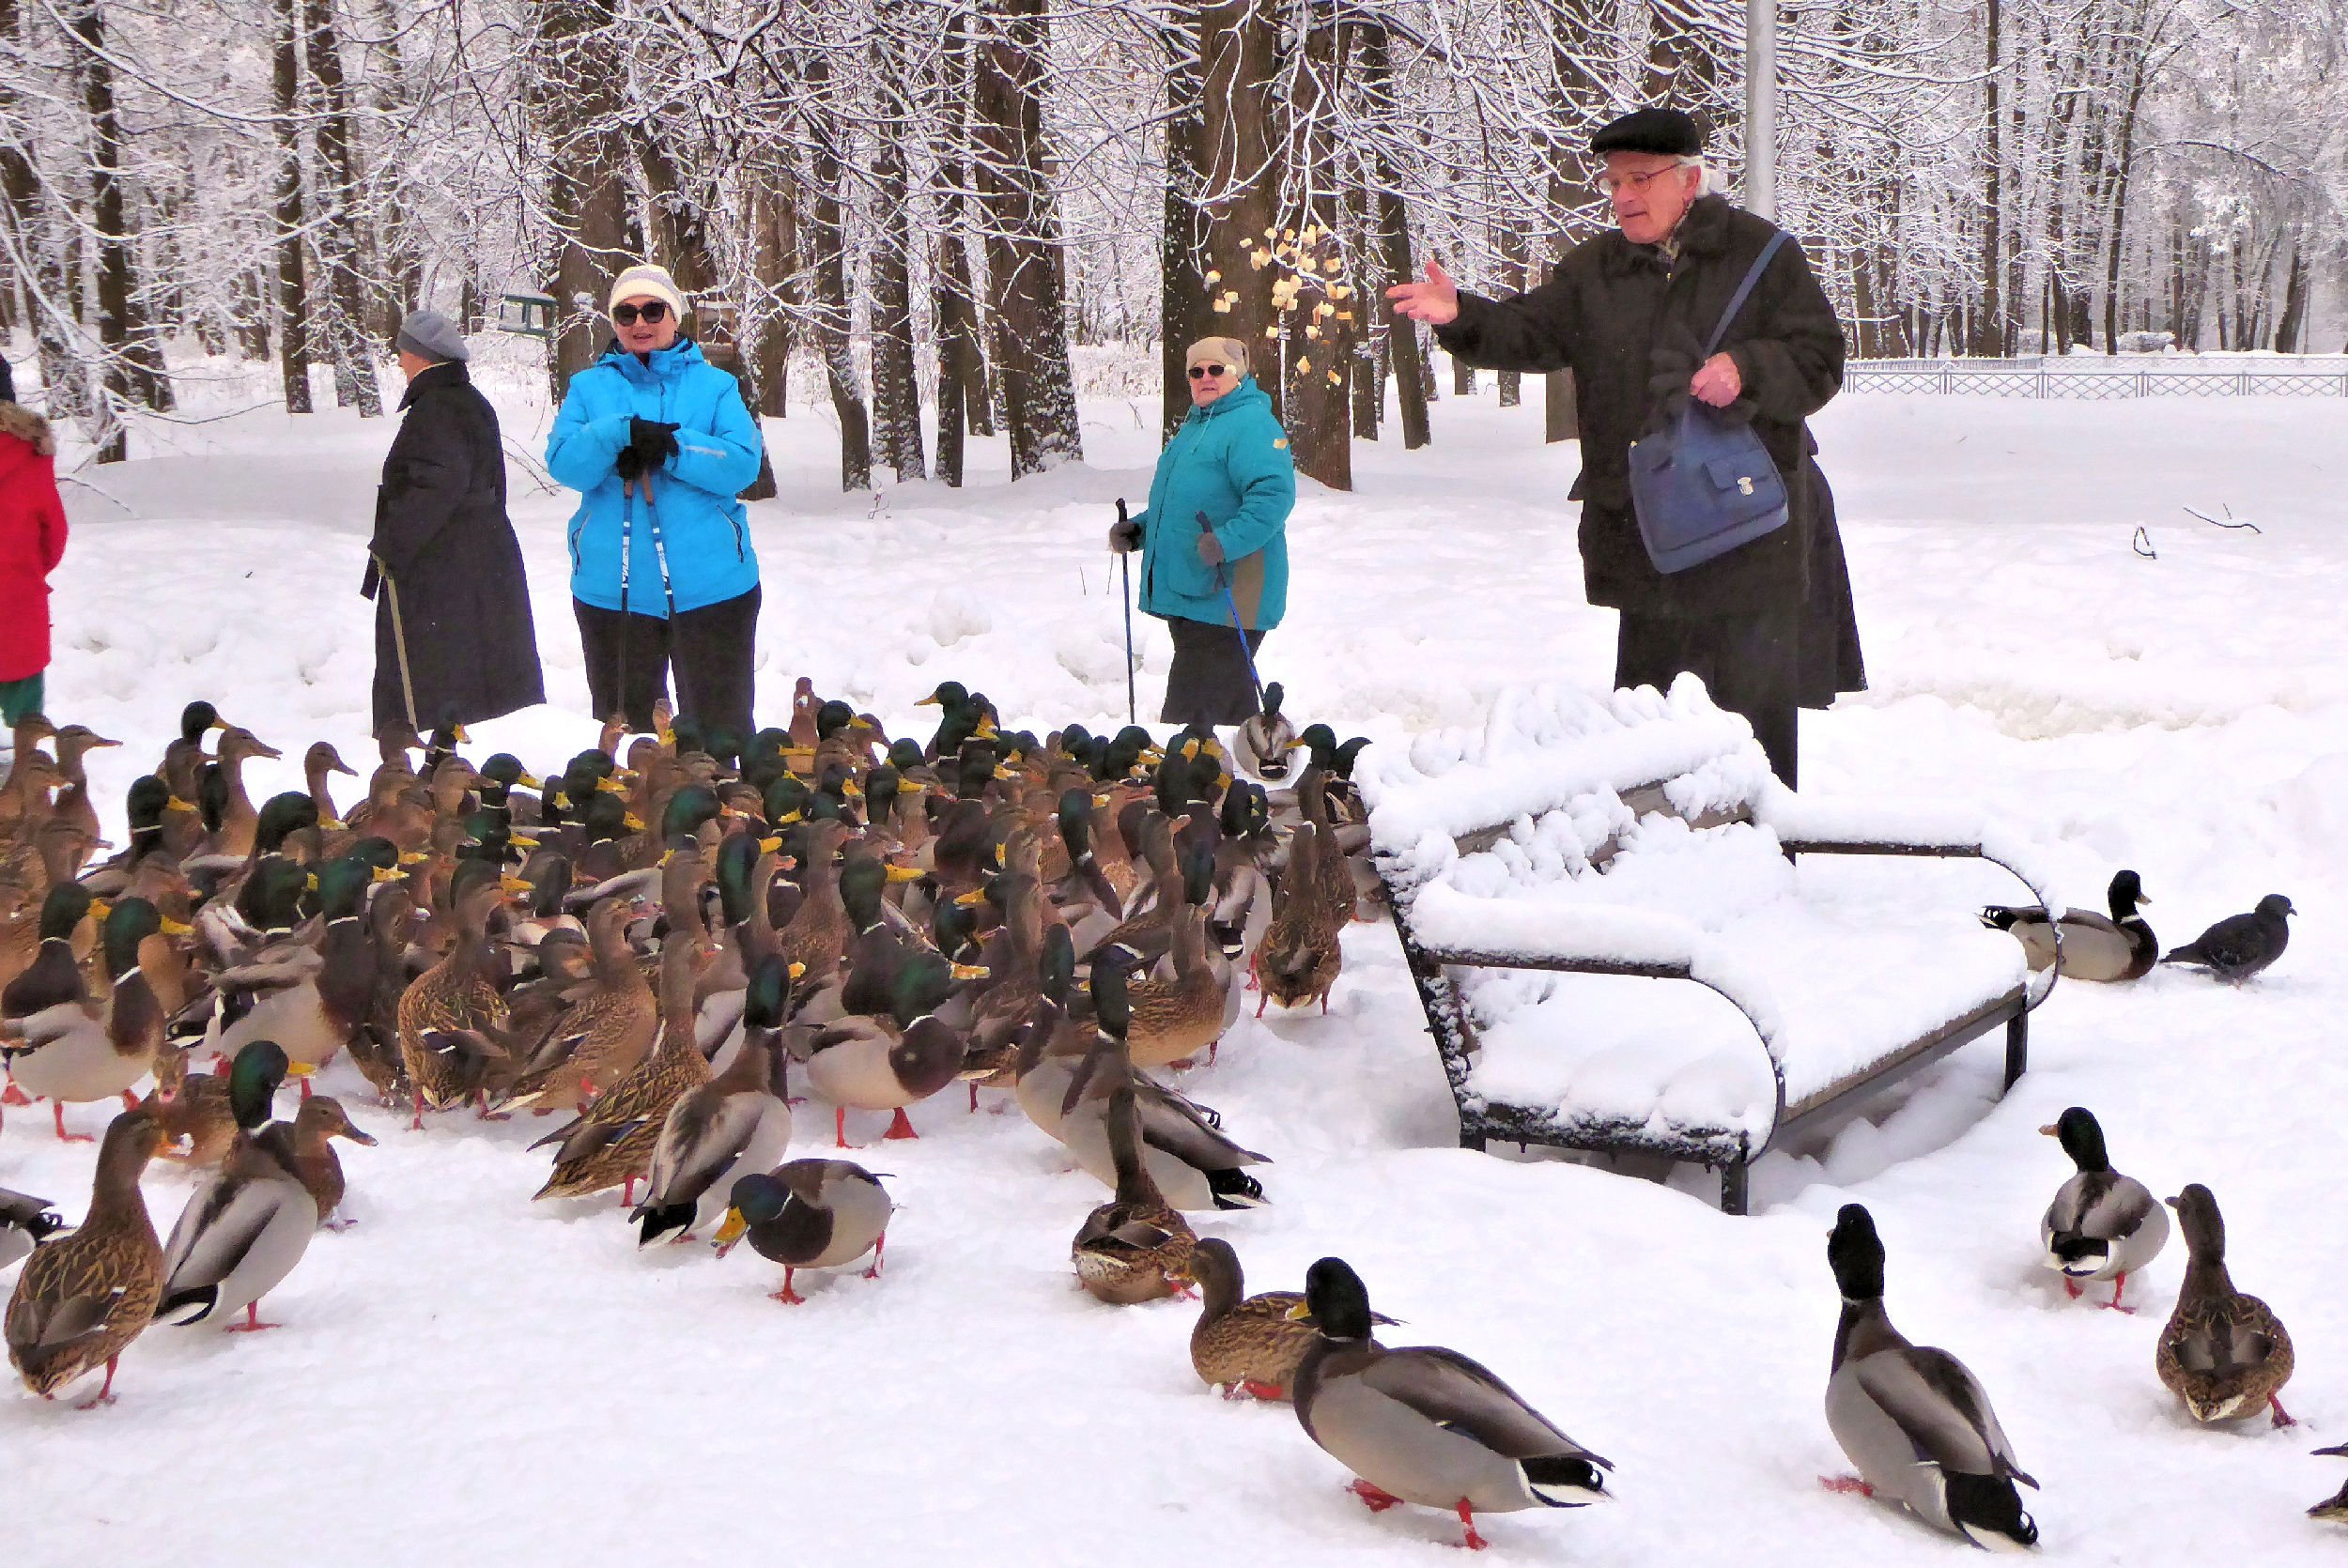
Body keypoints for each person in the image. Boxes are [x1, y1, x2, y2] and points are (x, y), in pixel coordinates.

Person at [1389, 107, 1864, 787]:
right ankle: (1657, 872)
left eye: (1640, 179)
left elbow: (1820, 358)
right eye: (1613, 183)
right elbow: (1531, 332)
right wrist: (1462, 313)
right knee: (1648, 731)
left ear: (1690, 179)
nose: (1624, 197)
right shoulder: (1595, 270)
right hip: (1649, 542)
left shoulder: (1762, 257)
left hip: (1748, 536)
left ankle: (1762, 869)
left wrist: (1748, 369)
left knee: (1749, 734)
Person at [547, 262, 764, 741]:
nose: (640, 323)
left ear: (674, 316)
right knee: (630, 744)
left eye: (652, 310)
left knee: (719, 735)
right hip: (613, 590)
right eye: (626, 314)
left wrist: (673, 448)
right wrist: (615, 434)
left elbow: (743, 464)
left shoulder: (716, 386)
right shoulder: (588, 388)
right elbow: (564, 463)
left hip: (712, 588)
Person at [363, 310, 546, 738]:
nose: (399, 361)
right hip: (484, 552)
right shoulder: (468, 401)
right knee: (486, 661)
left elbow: (438, 483)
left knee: (440, 665)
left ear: (420, 356)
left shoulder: (436, 409)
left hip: (442, 563)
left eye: (402, 352)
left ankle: (428, 752)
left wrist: (391, 545)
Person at [1109, 336, 1296, 726]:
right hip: (1198, 589)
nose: (1205, 378)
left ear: (1238, 375)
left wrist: (1227, 541)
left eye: (1217, 369)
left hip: (1232, 593)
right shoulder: (1199, 424)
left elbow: (1273, 497)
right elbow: (1187, 504)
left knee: (1190, 720)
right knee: (1225, 715)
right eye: (1196, 371)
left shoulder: (1252, 425)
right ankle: (1241, 775)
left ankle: (1189, 782)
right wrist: (1140, 530)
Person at [0, 355, 67, 728]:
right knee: (25, 733)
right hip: (19, 611)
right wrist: (24, 571)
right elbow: (54, 535)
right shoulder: (31, 453)